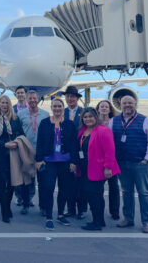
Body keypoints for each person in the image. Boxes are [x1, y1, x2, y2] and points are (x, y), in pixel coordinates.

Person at [109, 95, 148, 234]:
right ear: (120, 104)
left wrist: (146, 159)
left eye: (130, 103)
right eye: (125, 103)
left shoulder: (145, 120)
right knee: (126, 192)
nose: (127, 105)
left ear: (135, 104)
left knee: (144, 193)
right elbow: (109, 142)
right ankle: (128, 218)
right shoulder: (114, 121)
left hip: (139, 163)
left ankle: (146, 222)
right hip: (122, 163)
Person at [75, 108, 120, 231]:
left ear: (96, 117)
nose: (88, 119)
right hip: (85, 168)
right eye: (85, 117)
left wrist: (108, 167)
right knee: (90, 194)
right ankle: (98, 220)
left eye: (90, 116)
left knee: (96, 195)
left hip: (98, 168)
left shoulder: (103, 131)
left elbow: (110, 151)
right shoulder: (82, 131)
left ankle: (98, 222)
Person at [35, 98, 77, 231]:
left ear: (63, 107)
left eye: (59, 106)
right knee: (48, 188)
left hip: (65, 162)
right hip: (49, 161)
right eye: (55, 106)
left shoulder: (70, 124)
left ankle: (60, 214)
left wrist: (74, 162)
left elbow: (74, 145)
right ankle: (48, 216)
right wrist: (38, 159)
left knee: (64, 189)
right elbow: (40, 142)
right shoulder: (45, 123)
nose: (57, 109)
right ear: (51, 108)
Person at [0, 95, 25, 223]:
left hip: (13, 155)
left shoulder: (15, 119)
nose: (4, 105)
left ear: (9, 104)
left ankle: (8, 205)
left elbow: (21, 134)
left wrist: (16, 143)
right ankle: (4, 211)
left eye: (6, 103)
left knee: (11, 184)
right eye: (2, 103)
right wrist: (4, 144)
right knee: (1, 183)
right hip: (0, 155)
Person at [16, 90, 48, 214]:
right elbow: (17, 132)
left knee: (42, 181)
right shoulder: (21, 114)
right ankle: (25, 203)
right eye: (30, 99)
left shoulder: (45, 114)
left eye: (35, 98)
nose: (33, 100)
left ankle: (43, 206)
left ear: (38, 99)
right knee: (26, 181)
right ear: (27, 100)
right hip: (26, 152)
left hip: (40, 152)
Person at [60, 85, 85, 219]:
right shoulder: (61, 112)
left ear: (77, 98)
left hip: (81, 151)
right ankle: (70, 208)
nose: (70, 99)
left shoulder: (84, 112)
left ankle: (81, 209)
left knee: (79, 183)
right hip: (66, 151)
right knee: (68, 182)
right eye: (68, 96)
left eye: (72, 96)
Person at [96, 99, 120, 220]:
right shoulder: (94, 122)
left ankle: (114, 211)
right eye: (102, 106)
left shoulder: (115, 122)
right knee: (98, 187)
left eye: (106, 107)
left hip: (111, 158)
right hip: (97, 158)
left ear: (110, 109)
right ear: (98, 109)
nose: (104, 108)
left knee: (114, 186)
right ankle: (98, 211)